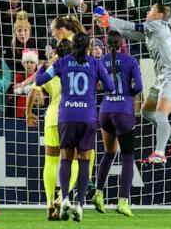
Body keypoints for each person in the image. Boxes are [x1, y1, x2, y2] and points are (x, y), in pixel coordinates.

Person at [94, 4, 171, 166]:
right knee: (147, 112)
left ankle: (160, 153)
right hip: (162, 78)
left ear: (159, 15)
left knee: (160, 115)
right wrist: (108, 23)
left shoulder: (158, 25)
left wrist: (107, 18)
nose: (147, 12)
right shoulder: (151, 31)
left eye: (151, 10)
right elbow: (127, 32)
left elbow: (129, 25)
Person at [35, 33, 115, 222]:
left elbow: (39, 81)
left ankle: (64, 200)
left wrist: (40, 68)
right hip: (87, 117)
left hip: (66, 117)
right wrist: (95, 84)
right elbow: (110, 86)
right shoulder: (95, 63)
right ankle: (79, 204)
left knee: (66, 159)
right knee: (84, 161)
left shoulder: (62, 62)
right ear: (88, 47)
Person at [92, 31, 142, 216]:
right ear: (122, 44)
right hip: (124, 111)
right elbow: (139, 86)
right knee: (128, 156)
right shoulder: (131, 61)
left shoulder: (100, 61)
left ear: (106, 44)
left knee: (109, 152)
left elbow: (94, 84)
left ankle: (98, 193)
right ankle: (123, 201)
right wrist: (128, 91)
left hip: (105, 111)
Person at [26, 39, 73, 220]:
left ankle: (48, 203)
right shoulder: (80, 66)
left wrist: (28, 113)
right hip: (72, 116)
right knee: (73, 160)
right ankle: (62, 197)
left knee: (51, 161)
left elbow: (33, 90)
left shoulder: (51, 68)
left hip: (52, 117)